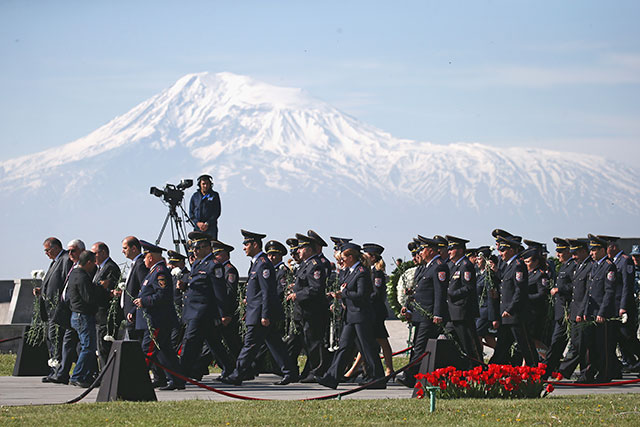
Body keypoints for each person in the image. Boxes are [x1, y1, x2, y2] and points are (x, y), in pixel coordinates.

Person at [220, 230, 298, 386]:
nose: (244, 248)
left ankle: (238, 374)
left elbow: (267, 291)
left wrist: (265, 315)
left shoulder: (263, 263)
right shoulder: (257, 263)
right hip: (256, 311)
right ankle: (290, 372)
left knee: (250, 344)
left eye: (246, 244)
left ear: (255, 245)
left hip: (260, 313)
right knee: (275, 344)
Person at [317, 243, 386, 390]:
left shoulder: (362, 272)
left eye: (343, 258)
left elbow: (362, 295)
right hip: (350, 316)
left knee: (367, 348)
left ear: (351, 257)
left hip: (361, 316)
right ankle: (332, 377)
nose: (341, 261)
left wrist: (344, 294)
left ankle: (378, 378)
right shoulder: (349, 272)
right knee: (344, 347)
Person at [178, 232, 234, 381]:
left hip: (202, 312)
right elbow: (196, 284)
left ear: (208, 248)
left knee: (190, 342)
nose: (195, 251)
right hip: (194, 310)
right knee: (214, 343)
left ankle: (181, 374)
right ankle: (230, 368)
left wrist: (224, 313)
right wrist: (185, 285)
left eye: (198, 248)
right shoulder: (197, 264)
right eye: (194, 248)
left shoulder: (213, 265)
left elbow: (219, 291)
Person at [396, 235, 450, 388]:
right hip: (421, 314)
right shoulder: (426, 267)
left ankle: (410, 377)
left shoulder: (439, 266)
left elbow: (440, 292)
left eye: (423, 249)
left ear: (432, 251)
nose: (420, 252)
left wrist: (438, 314)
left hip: (429, 315)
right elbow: (420, 292)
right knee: (417, 346)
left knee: (420, 347)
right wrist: (410, 309)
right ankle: (415, 376)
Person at [132, 240, 185, 390]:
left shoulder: (160, 272)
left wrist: (144, 301)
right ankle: (177, 380)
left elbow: (163, 295)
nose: (143, 260)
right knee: (165, 352)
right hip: (155, 319)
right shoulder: (153, 272)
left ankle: (137, 381)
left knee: (147, 350)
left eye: (145, 256)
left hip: (158, 320)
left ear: (150, 257)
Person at [286, 233, 331, 383]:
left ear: (309, 250)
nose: (298, 251)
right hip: (303, 311)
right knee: (305, 342)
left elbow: (316, 288)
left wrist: (297, 295)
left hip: (312, 311)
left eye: (301, 248)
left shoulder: (315, 265)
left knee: (313, 343)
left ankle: (316, 371)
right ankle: (307, 371)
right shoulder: (306, 265)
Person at [345, 243, 394, 377]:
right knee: (366, 342)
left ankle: (389, 369)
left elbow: (376, 294)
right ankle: (356, 370)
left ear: (372, 257)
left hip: (375, 311)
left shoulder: (377, 273)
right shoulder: (367, 271)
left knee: (381, 340)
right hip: (369, 311)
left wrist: (364, 299)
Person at [489, 236, 538, 367]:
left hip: (515, 314)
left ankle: (535, 372)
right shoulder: (508, 266)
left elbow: (519, 291)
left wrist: (510, 309)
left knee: (525, 344)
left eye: (503, 250)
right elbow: (506, 282)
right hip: (507, 315)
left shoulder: (518, 265)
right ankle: (492, 370)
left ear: (511, 250)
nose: (500, 253)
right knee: (502, 345)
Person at [598, 235, 640, 371]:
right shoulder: (612, 262)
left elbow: (627, 287)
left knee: (627, 337)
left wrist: (623, 307)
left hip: (623, 306)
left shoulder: (625, 261)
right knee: (617, 338)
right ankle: (630, 364)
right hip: (613, 306)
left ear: (613, 247)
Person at [37, 237, 73, 383]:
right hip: (50, 310)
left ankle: (60, 372)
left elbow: (65, 283)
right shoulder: (54, 262)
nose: (46, 253)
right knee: (52, 340)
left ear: (56, 247)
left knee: (57, 339)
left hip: (58, 310)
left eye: (47, 250)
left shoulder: (65, 259)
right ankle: (54, 370)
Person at [559, 238, 593, 380]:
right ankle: (581, 373)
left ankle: (570, 372)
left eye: (576, 253)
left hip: (582, 312)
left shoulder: (590, 266)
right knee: (577, 343)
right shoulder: (579, 266)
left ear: (584, 251)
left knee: (581, 345)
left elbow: (587, 293)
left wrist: (581, 312)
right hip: (575, 311)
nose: (573, 256)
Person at [445, 235, 482, 363]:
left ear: (460, 250)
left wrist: (451, 294)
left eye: (452, 249)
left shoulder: (465, 265)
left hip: (462, 311)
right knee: (450, 341)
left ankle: (478, 368)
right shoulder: (452, 265)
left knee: (469, 344)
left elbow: (469, 288)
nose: (449, 252)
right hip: (452, 312)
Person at [543, 237, 576, 378]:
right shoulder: (564, 266)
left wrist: (559, 289)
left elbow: (576, 287)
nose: (558, 255)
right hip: (560, 312)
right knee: (556, 344)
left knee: (572, 344)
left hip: (568, 310)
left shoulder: (573, 266)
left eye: (561, 252)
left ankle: (557, 370)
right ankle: (548, 371)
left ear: (568, 251)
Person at [67, 250, 99, 387]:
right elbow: (89, 298)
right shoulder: (83, 277)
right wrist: (100, 290)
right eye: (94, 263)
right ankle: (78, 376)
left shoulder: (74, 273)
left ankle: (84, 374)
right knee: (88, 347)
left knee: (85, 346)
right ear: (89, 262)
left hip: (75, 314)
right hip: (83, 315)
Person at [90, 242, 121, 370]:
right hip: (98, 314)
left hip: (106, 314)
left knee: (105, 347)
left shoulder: (110, 268)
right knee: (100, 348)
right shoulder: (98, 269)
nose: (92, 257)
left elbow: (110, 290)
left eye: (94, 254)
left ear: (103, 253)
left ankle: (107, 375)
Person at [121, 236, 149, 341]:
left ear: (134, 249)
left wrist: (134, 310)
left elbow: (144, 288)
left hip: (135, 314)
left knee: (136, 345)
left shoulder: (140, 264)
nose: (122, 251)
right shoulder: (134, 264)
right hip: (130, 314)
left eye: (125, 248)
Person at [475, 246, 499, 349]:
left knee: (477, 335)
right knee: (488, 337)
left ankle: (479, 358)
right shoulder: (479, 274)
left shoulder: (489, 275)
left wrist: (494, 318)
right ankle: (504, 357)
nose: (477, 261)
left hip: (485, 312)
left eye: (479, 258)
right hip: (479, 310)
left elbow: (491, 297)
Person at [189, 174, 221, 240]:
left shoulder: (214, 195)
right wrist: (197, 223)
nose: (205, 186)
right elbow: (191, 213)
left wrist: (207, 223)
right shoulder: (195, 196)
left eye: (207, 184)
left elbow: (217, 212)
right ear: (200, 184)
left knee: (210, 246)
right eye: (203, 184)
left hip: (210, 228)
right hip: (198, 228)